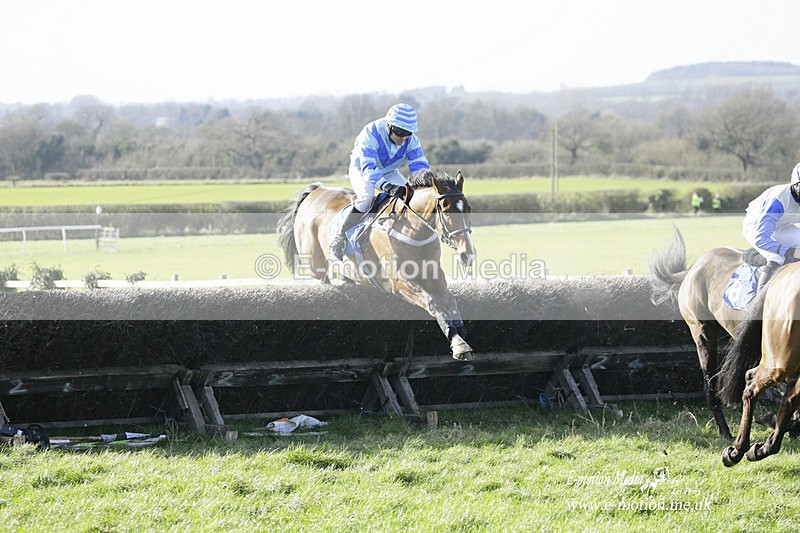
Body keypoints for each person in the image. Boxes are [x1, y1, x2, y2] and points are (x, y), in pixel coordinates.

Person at [329, 103, 431, 261]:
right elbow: (369, 168)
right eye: (400, 132)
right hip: (362, 170)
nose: (404, 137)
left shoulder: (411, 140)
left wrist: (427, 183)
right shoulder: (371, 132)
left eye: (408, 133)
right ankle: (339, 238)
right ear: (389, 126)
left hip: (389, 171)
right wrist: (387, 187)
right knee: (366, 198)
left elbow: (419, 166)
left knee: (410, 196)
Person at [742, 162, 800, 293]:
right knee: (777, 257)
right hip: (756, 226)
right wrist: (791, 251)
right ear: (796, 185)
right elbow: (761, 239)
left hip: (782, 226)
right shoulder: (778, 201)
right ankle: (760, 302)